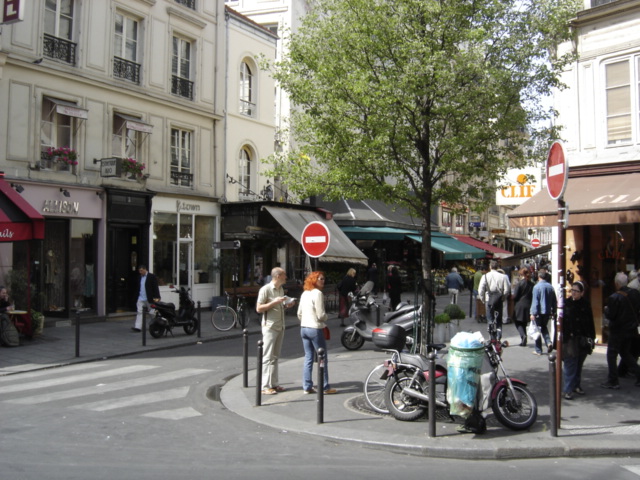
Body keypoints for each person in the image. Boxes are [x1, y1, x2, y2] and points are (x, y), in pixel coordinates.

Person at [297, 271, 337, 395]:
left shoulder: (305, 293)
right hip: (315, 328)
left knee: (308, 357)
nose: (323, 281)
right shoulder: (318, 293)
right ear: (314, 280)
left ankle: (307, 386)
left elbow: (299, 313)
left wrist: (305, 320)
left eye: (323, 279)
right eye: (320, 279)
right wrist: (326, 317)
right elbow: (320, 315)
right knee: (322, 357)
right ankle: (325, 386)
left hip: (304, 328)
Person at [256, 267, 293, 395]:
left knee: (275, 357)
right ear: (278, 276)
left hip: (280, 325)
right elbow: (259, 308)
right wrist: (274, 302)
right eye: (284, 275)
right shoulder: (265, 289)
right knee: (267, 357)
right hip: (270, 326)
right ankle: (265, 386)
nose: (286, 277)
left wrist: (286, 305)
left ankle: (274, 384)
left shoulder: (280, 289)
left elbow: (278, 306)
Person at [601, 272, 640, 389]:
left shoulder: (614, 297)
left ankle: (613, 380)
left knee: (612, 354)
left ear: (617, 284)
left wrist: (606, 310)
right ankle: (638, 374)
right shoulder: (635, 294)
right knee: (625, 353)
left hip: (618, 330)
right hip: (630, 329)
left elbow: (611, 315)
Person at [562, 281, 596, 399]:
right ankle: (568, 389)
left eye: (576, 291)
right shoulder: (566, 303)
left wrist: (592, 338)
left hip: (582, 339)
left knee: (579, 364)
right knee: (570, 364)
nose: (573, 293)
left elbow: (590, 322)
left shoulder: (585, 304)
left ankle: (576, 385)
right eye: (572, 290)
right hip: (570, 339)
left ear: (582, 293)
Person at [478, 260, 510, 340]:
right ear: (497, 267)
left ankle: (492, 337)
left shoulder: (485, 276)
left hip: (489, 299)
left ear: (490, 267)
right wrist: (503, 298)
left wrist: (483, 299)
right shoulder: (504, 276)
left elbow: (480, 289)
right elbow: (507, 289)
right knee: (498, 319)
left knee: (490, 319)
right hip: (499, 299)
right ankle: (498, 336)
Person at [529, 270, 556, 356]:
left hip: (538, 312)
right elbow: (554, 300)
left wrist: (533, 313)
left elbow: (535, 302)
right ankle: (548, 342)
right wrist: (554, 311)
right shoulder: (550, 287)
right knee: (544, 327)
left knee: (537, 330)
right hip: (547, 311)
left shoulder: (536, 287)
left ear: (538, 276)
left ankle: (538, 350)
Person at [133, 265, 160, 332]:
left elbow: (155, 287)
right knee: (139, 312)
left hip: (149, 298)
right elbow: (138, 287)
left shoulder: (151, 276)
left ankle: (155, 325)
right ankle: (138, 327)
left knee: (152, 312)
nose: (140, 272)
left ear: (145, 270)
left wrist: (157, 297)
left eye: (141, 270)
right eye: (139, 271)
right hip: (141, 298)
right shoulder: (139, 277)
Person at [511, 268, 534, 346]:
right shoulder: (531, 284)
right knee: (524, 322)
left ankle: (523, 335)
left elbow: (515, 295)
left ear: (521, 274)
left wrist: (512, 297)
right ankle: (524, 339)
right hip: (528, 304)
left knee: (517, 321)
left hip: (519, 305)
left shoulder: (520, 284)